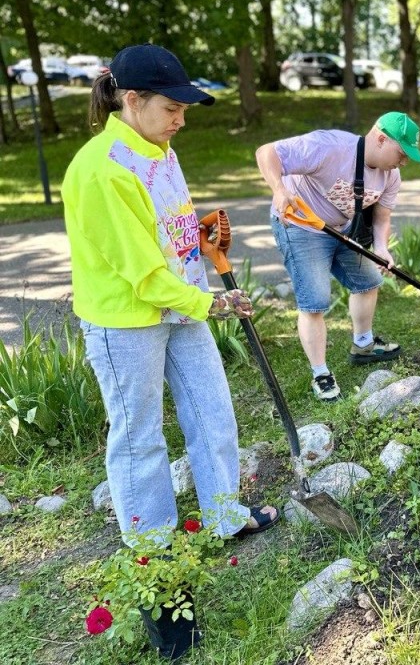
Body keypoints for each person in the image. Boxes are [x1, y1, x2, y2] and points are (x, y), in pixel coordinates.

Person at [63, 44, 279, 548]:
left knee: (212, 410)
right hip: (128, 319)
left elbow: (162, 225)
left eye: (183, 110)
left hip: (180, 303)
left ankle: (223, 516)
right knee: (140, 438)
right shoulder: (101, 170)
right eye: (173, 109)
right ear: (133, 101)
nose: (181, 120)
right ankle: (153, 550)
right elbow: (141, 271)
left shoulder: (160, 147)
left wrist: (192, 240)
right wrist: (214, 304)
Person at [255, 112, 420, 400]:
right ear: (381, 139)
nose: (404, 161)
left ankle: (363, 344)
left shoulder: (391, 175)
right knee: (315, 301)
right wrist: (279, 190)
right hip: (301, 226)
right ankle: (320, 373)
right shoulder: (329, 147)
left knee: (369, 281)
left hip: (343, 230)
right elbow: (266, 152)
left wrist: (381, 248)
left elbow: (382, 218)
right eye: (402, 153)